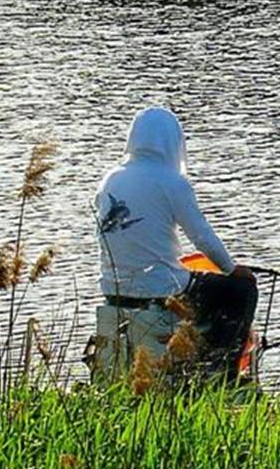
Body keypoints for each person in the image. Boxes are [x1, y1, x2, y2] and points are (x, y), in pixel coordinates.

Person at [95, 106, 257, 378]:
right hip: (160, 289)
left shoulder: (110, 179)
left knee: (205, 283)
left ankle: (195, 352)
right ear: (173, 142)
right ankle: (221, 371)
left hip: (113, 289)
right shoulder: (171, 181)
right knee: (240, 291)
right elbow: (202, 237)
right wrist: (232, 269)